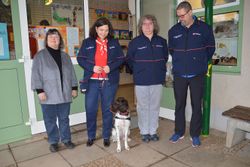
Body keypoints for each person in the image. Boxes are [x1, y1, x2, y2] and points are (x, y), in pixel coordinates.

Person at [168, 1, 215, 147]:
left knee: (196, 105)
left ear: (190, 13)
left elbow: (210, 49)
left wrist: (198, 61)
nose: (180, 18)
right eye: (178, 16)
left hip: (197, 75)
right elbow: (172, 50)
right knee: (179, 105)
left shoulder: (204, 28)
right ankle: (179, 132)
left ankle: (195, 134)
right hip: (180, 74)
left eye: (182, 16)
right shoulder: (173, 31)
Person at [77, 17, 125, 147]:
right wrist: (91, 67)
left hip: (109, 82)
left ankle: (106, 136)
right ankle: (91, 136)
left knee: (107, 110)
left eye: (106, 30)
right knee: (90, 109)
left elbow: (121, 58)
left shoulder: (114, 42)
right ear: (96, 29)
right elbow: (80, 58)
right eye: (101, 29)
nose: (104, 32)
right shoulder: (87, 42)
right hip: (92, 82)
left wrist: (111, 67)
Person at [31, 29, 78, 152]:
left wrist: (74, 88)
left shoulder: (65, 56)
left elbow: (71, 73)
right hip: (48, 94)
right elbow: (35, 74)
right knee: (50, 120)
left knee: (64, 118)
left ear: (60, 40)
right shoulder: (40, 56)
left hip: (64, 93)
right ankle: (53, 141)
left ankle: (66, 139)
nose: (54, 39)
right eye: (51, 37)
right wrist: (39, 91)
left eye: (56, 37)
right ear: (46, 40)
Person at [127, 15, 168, 142]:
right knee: (143, 107)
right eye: (144, 24)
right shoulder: (135, 42)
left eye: (150, 23)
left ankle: (153, 131)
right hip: (141, 80)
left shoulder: (161, 42)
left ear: (154, 25)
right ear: (141, 26)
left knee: (155, 106)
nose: (147, 26)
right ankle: (144, 131)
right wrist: (139, 70)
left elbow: (165, 58)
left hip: (157, 79)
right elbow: (129, 60)